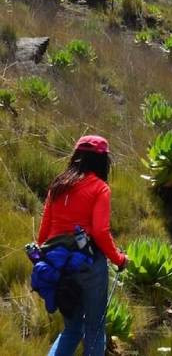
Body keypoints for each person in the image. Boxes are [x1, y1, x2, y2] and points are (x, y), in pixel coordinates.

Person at [37, 135, 128, 356]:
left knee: (71, 329)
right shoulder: (100, 188)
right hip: (90, 265)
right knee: (94, 329)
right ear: (102, 161)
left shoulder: (58, 186)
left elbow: (43, 235)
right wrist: (119, 259)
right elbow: (100, 231)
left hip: (59, 265)